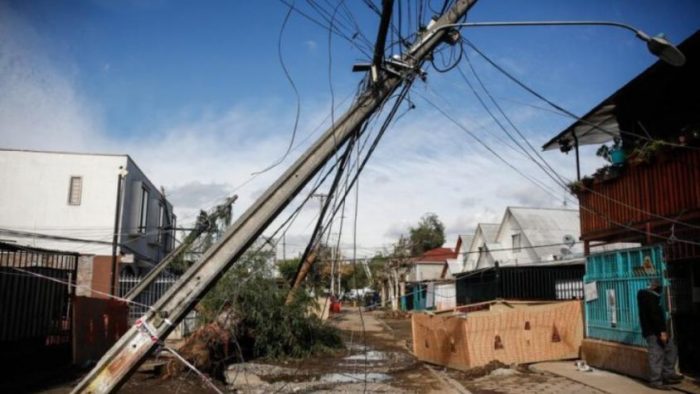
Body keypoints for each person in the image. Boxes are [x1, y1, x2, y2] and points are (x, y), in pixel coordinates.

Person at [637, 279, 684, 390]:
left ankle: (667, 374)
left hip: (656, 331)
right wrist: (662, 332)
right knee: (656, 355)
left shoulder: (649, 297)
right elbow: (655, 316)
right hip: (653, 332)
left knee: (671, 349)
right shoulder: (650, 298)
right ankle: (656, 381)